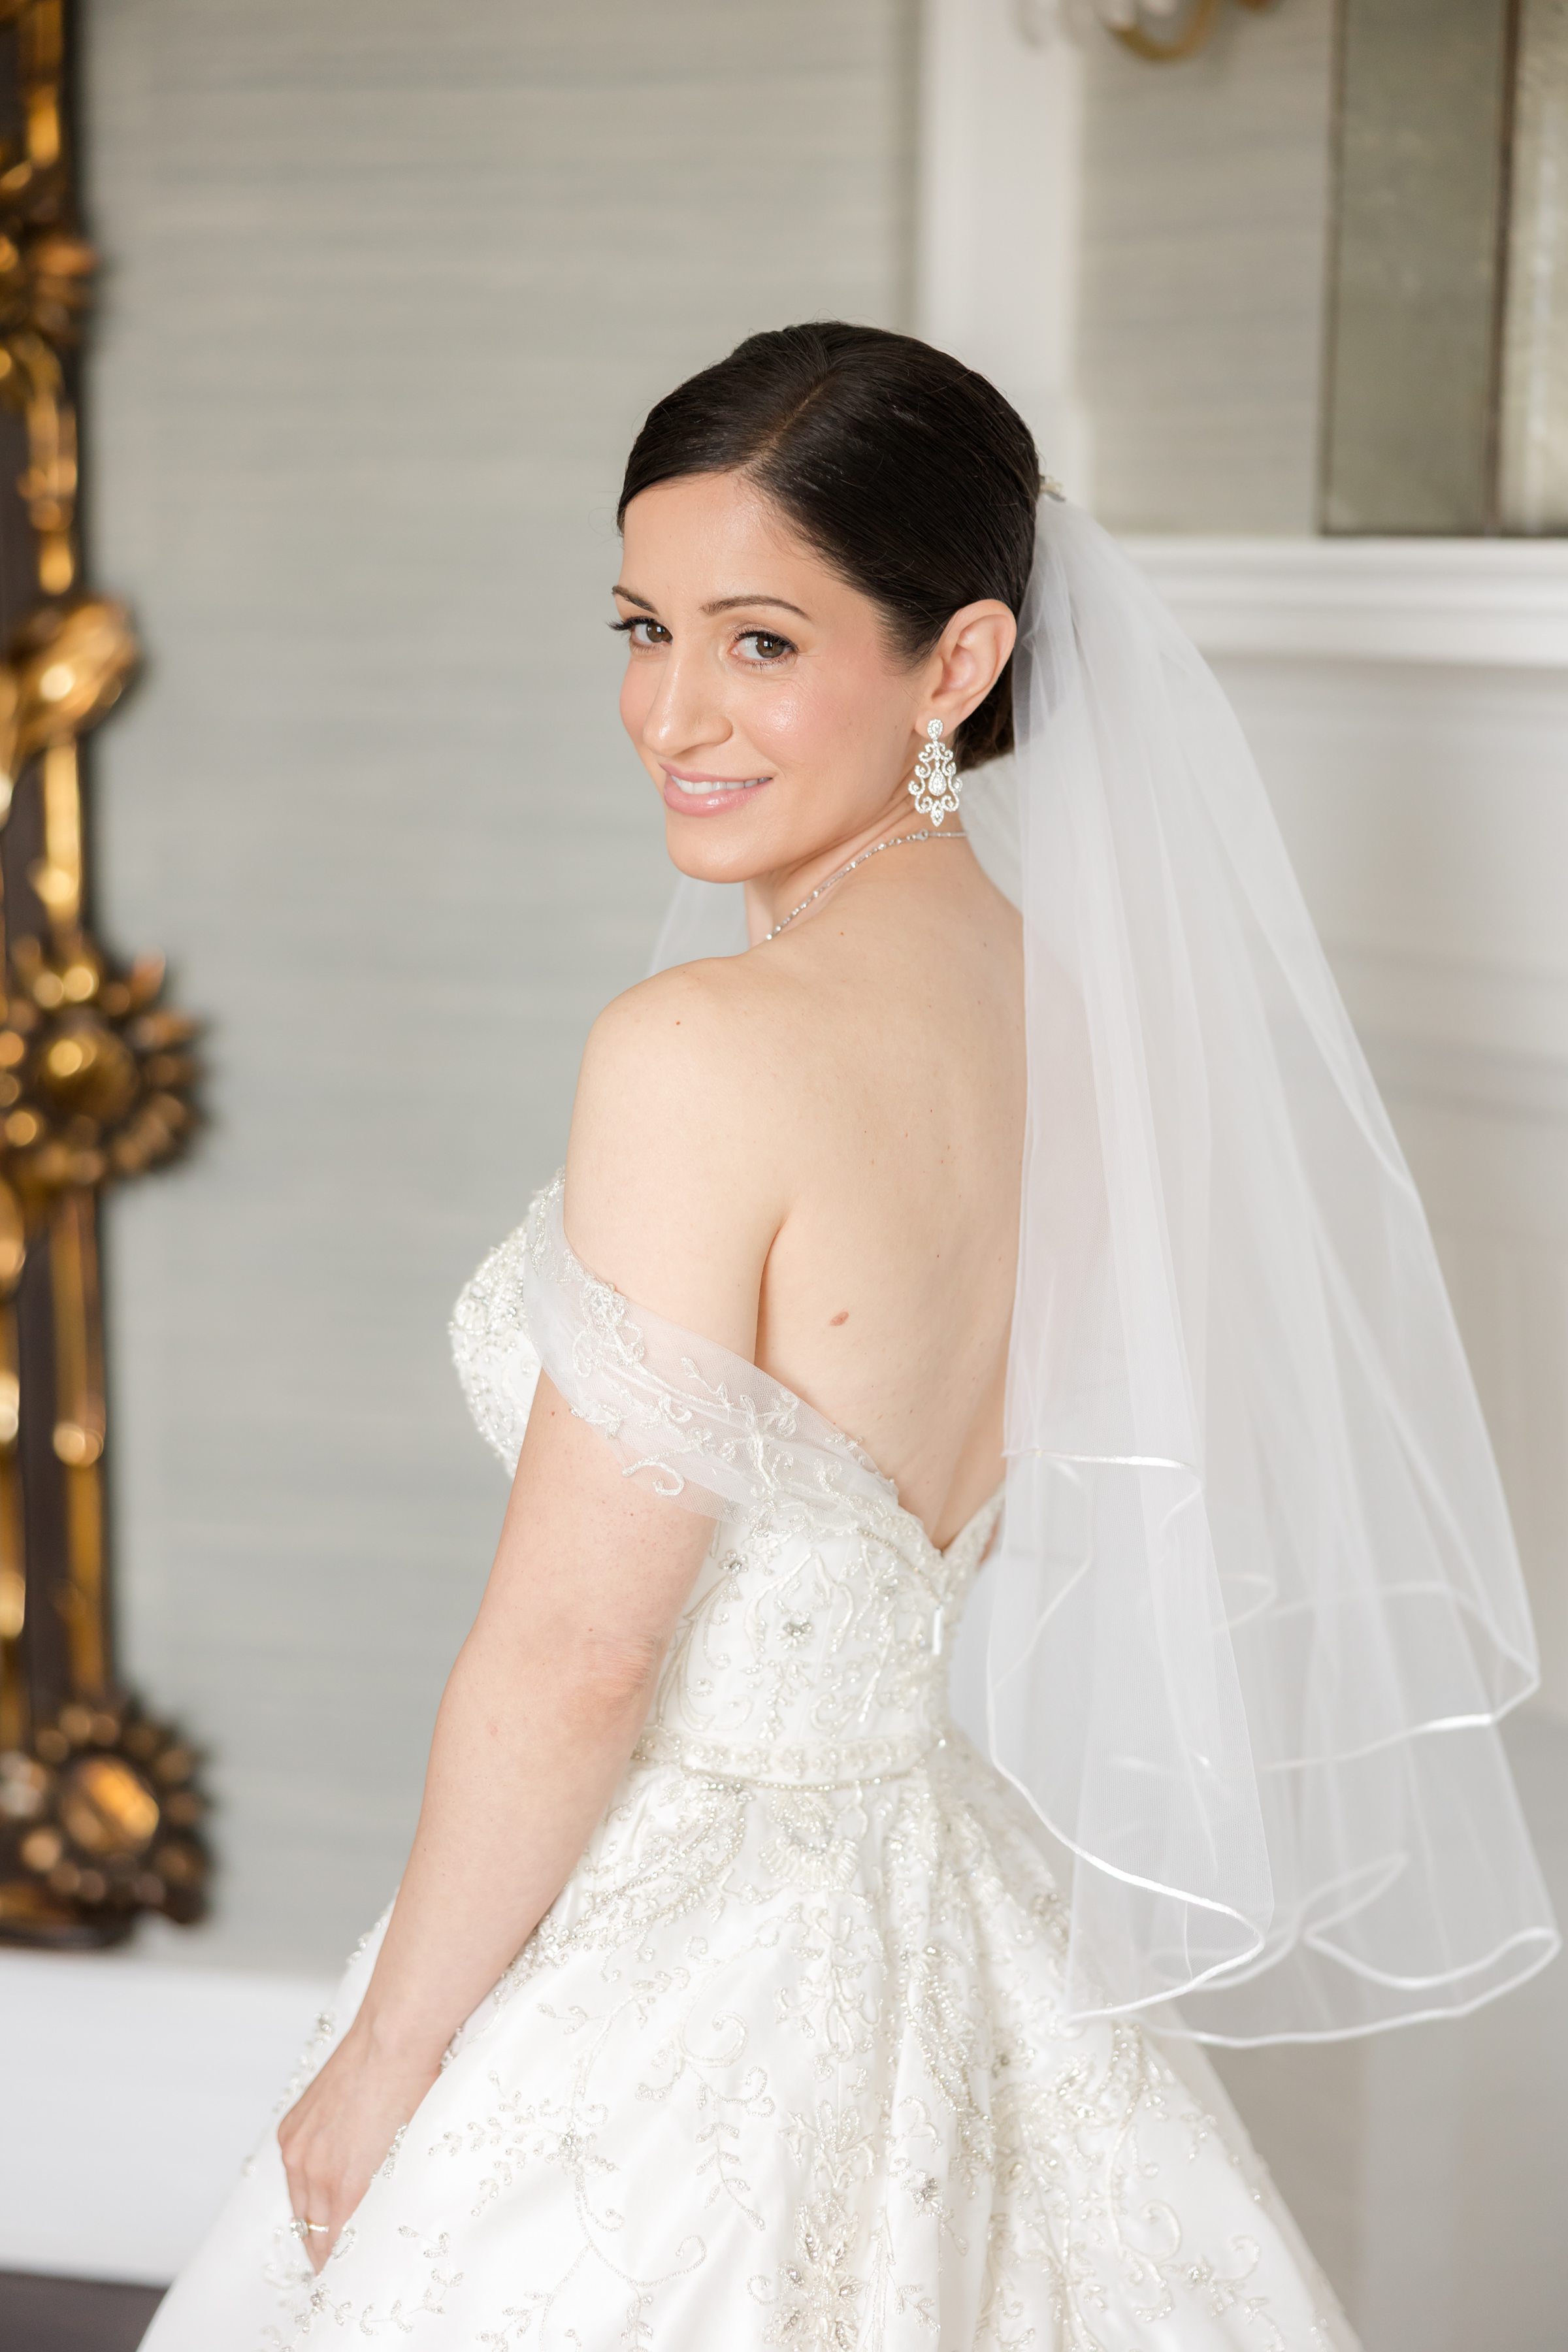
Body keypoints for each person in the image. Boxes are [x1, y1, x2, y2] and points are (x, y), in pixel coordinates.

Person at [141, 325, 1554, 2349]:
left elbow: (579, 1651)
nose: (671, 711)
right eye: (644, 628)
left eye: (763, 642)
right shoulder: (1088, 1020)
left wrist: (388, 2057)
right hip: (948, 1892)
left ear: (956, 662)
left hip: (692, 1932)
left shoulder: (702, 1051)